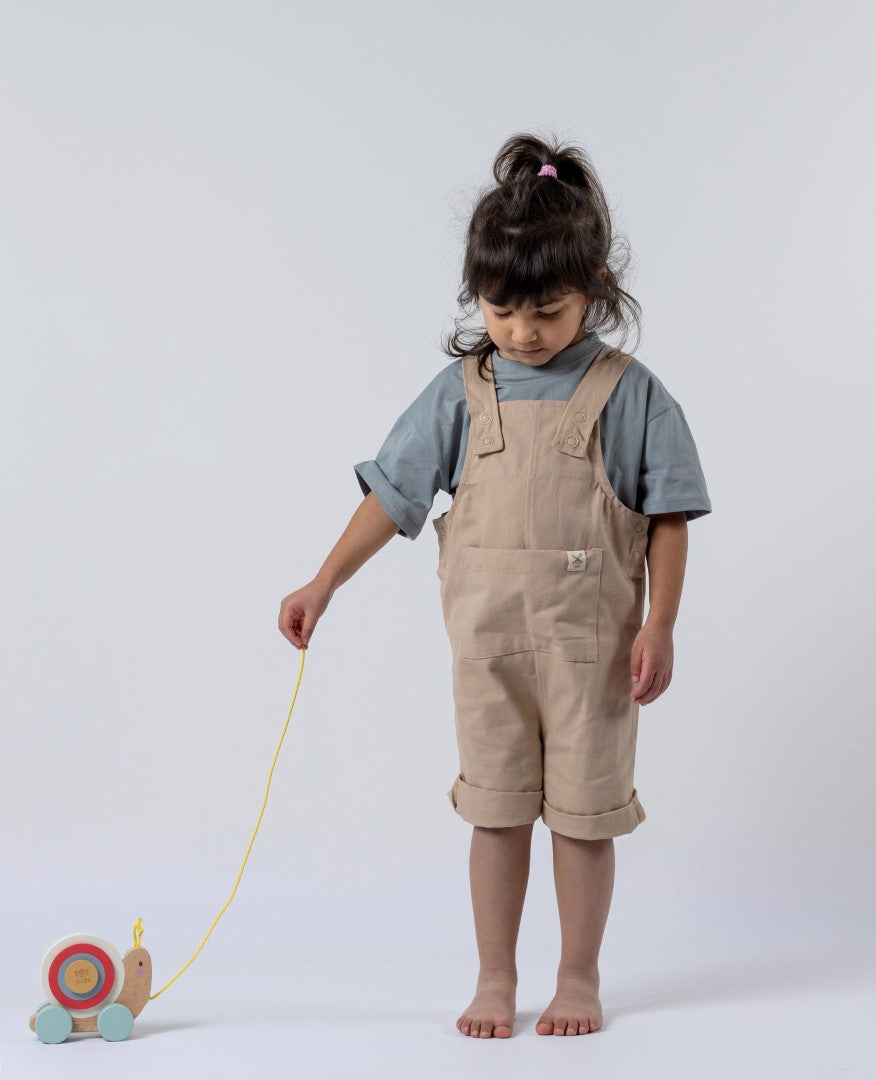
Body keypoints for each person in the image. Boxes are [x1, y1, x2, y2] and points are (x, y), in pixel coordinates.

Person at [278, 131, 711, 1039]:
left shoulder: (631, 395)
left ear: (593, 292)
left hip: (594, 655)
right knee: (496, 811)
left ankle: (579, 976)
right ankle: (494, 975)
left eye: (547, 312)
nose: (521, 331)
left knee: (585, 818)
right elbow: (391, 497)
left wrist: (660, 624)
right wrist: (323, 583)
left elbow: (667, 517)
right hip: (487, 655)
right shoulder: (460, 392)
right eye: (502, 309)